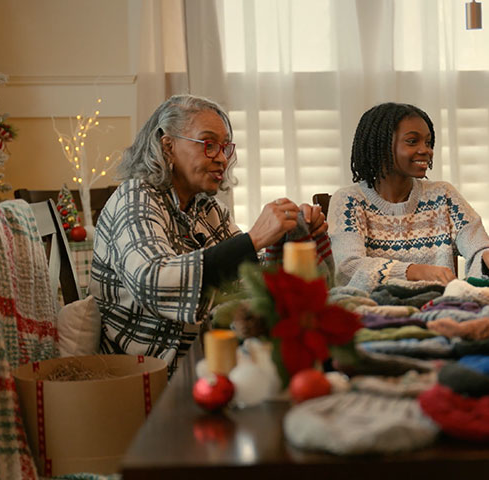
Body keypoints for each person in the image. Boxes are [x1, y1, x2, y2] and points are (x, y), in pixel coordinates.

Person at [89, 94, 327, 375]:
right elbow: (152, 279)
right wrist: (254, 240)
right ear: (168, 147)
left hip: (201, 356)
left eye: (226, 148)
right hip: (148, 372)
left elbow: (246, 277)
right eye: (209, 145)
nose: (223, 160)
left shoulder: (205, 207)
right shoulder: (135, 198)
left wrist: (291, 236)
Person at [328, 102, 489, 292]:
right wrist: (413, 271)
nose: (426, 150)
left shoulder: (443, 195)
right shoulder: (349, 200)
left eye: (428, 142)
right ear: (380, 146)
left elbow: (478, 247)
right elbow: (348, 268)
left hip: (438, 312)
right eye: (413, 141)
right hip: (374, 314)